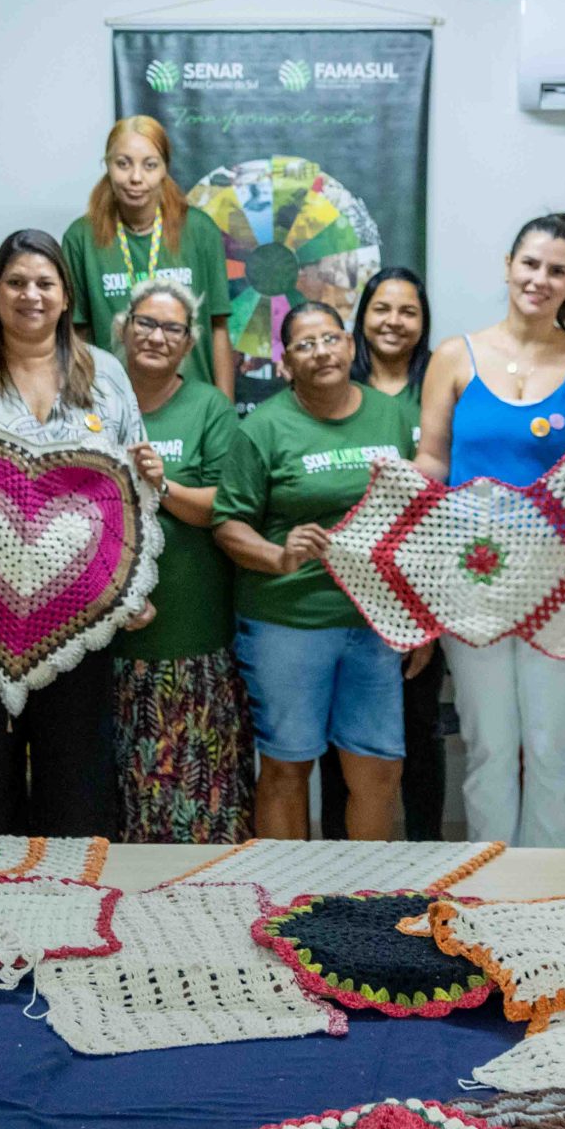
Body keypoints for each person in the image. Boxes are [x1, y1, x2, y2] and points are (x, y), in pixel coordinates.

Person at [0, 231, 157, 834]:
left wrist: (137, 583)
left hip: (80, 612)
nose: (31, 295)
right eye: (16, 282)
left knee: (75, 779)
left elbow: (135, 490)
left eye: (45, 282)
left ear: (67, 294)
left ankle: (69, 910)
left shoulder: (107, 375)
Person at [413, 214, 565, 848]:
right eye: (530, 264)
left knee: (551, 744)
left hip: (560, 584)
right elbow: (433, 459)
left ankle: (544, 895)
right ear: (509, 265)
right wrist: (402, 493)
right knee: (488, 745)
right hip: (470, 579)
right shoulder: (455, 355)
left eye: (556, 270)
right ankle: (490, 890)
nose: (540, 278)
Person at [213, 302, 419, 841]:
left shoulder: (392, 415)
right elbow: (229, 525)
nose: (321, 352)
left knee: (379, 770)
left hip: (376, 625)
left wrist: (421, 620)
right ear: (285, 363)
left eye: (330, 338)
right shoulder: (262, 428)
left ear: (351, 347)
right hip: (289, 621)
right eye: (304, 344)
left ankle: (366, 903)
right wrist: (279, 556)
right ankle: (287, 901)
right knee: (286, 769)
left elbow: (419, 517)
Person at [110, 278, 255, 842]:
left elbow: (226, 505)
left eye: (172, 328)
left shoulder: (208, 407)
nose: (156, 336)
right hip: (109, 647)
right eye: (146, 322)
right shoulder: (96, 400)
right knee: (123, 802)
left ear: (190, 343)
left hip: (192, 644)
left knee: (202, 804)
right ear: (123, 328)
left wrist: (160, 484)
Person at [319, 266, 446, 840]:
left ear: (423, 322)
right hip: (344, 597)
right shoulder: (335, 383)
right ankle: (345, 865)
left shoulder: (440, 389)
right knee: (339, 740)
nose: (394, 321)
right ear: (361, 317)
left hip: (422, 591)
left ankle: (424, 859)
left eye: (408, 311)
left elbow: (449, 504)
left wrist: (425, 618)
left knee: (420, 729)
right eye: (382, 308)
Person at [61, 117, 234, 397]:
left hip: (192, 404)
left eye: (150, 165)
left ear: (165, 168)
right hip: (112, 402)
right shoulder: (81, 237)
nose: (136, 178)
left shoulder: (200, 231)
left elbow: (219, 329)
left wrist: (224, 410)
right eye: (123, 163)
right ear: (107, 165)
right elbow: (76, 336)